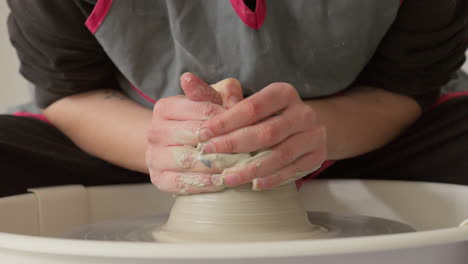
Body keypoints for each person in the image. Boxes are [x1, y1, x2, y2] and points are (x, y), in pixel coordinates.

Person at [1, 0, 467, 197]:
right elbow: (70, 92)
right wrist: (183, 146)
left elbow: (404, 87)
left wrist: (302, 134)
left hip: (356, 136)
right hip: (134, 144)